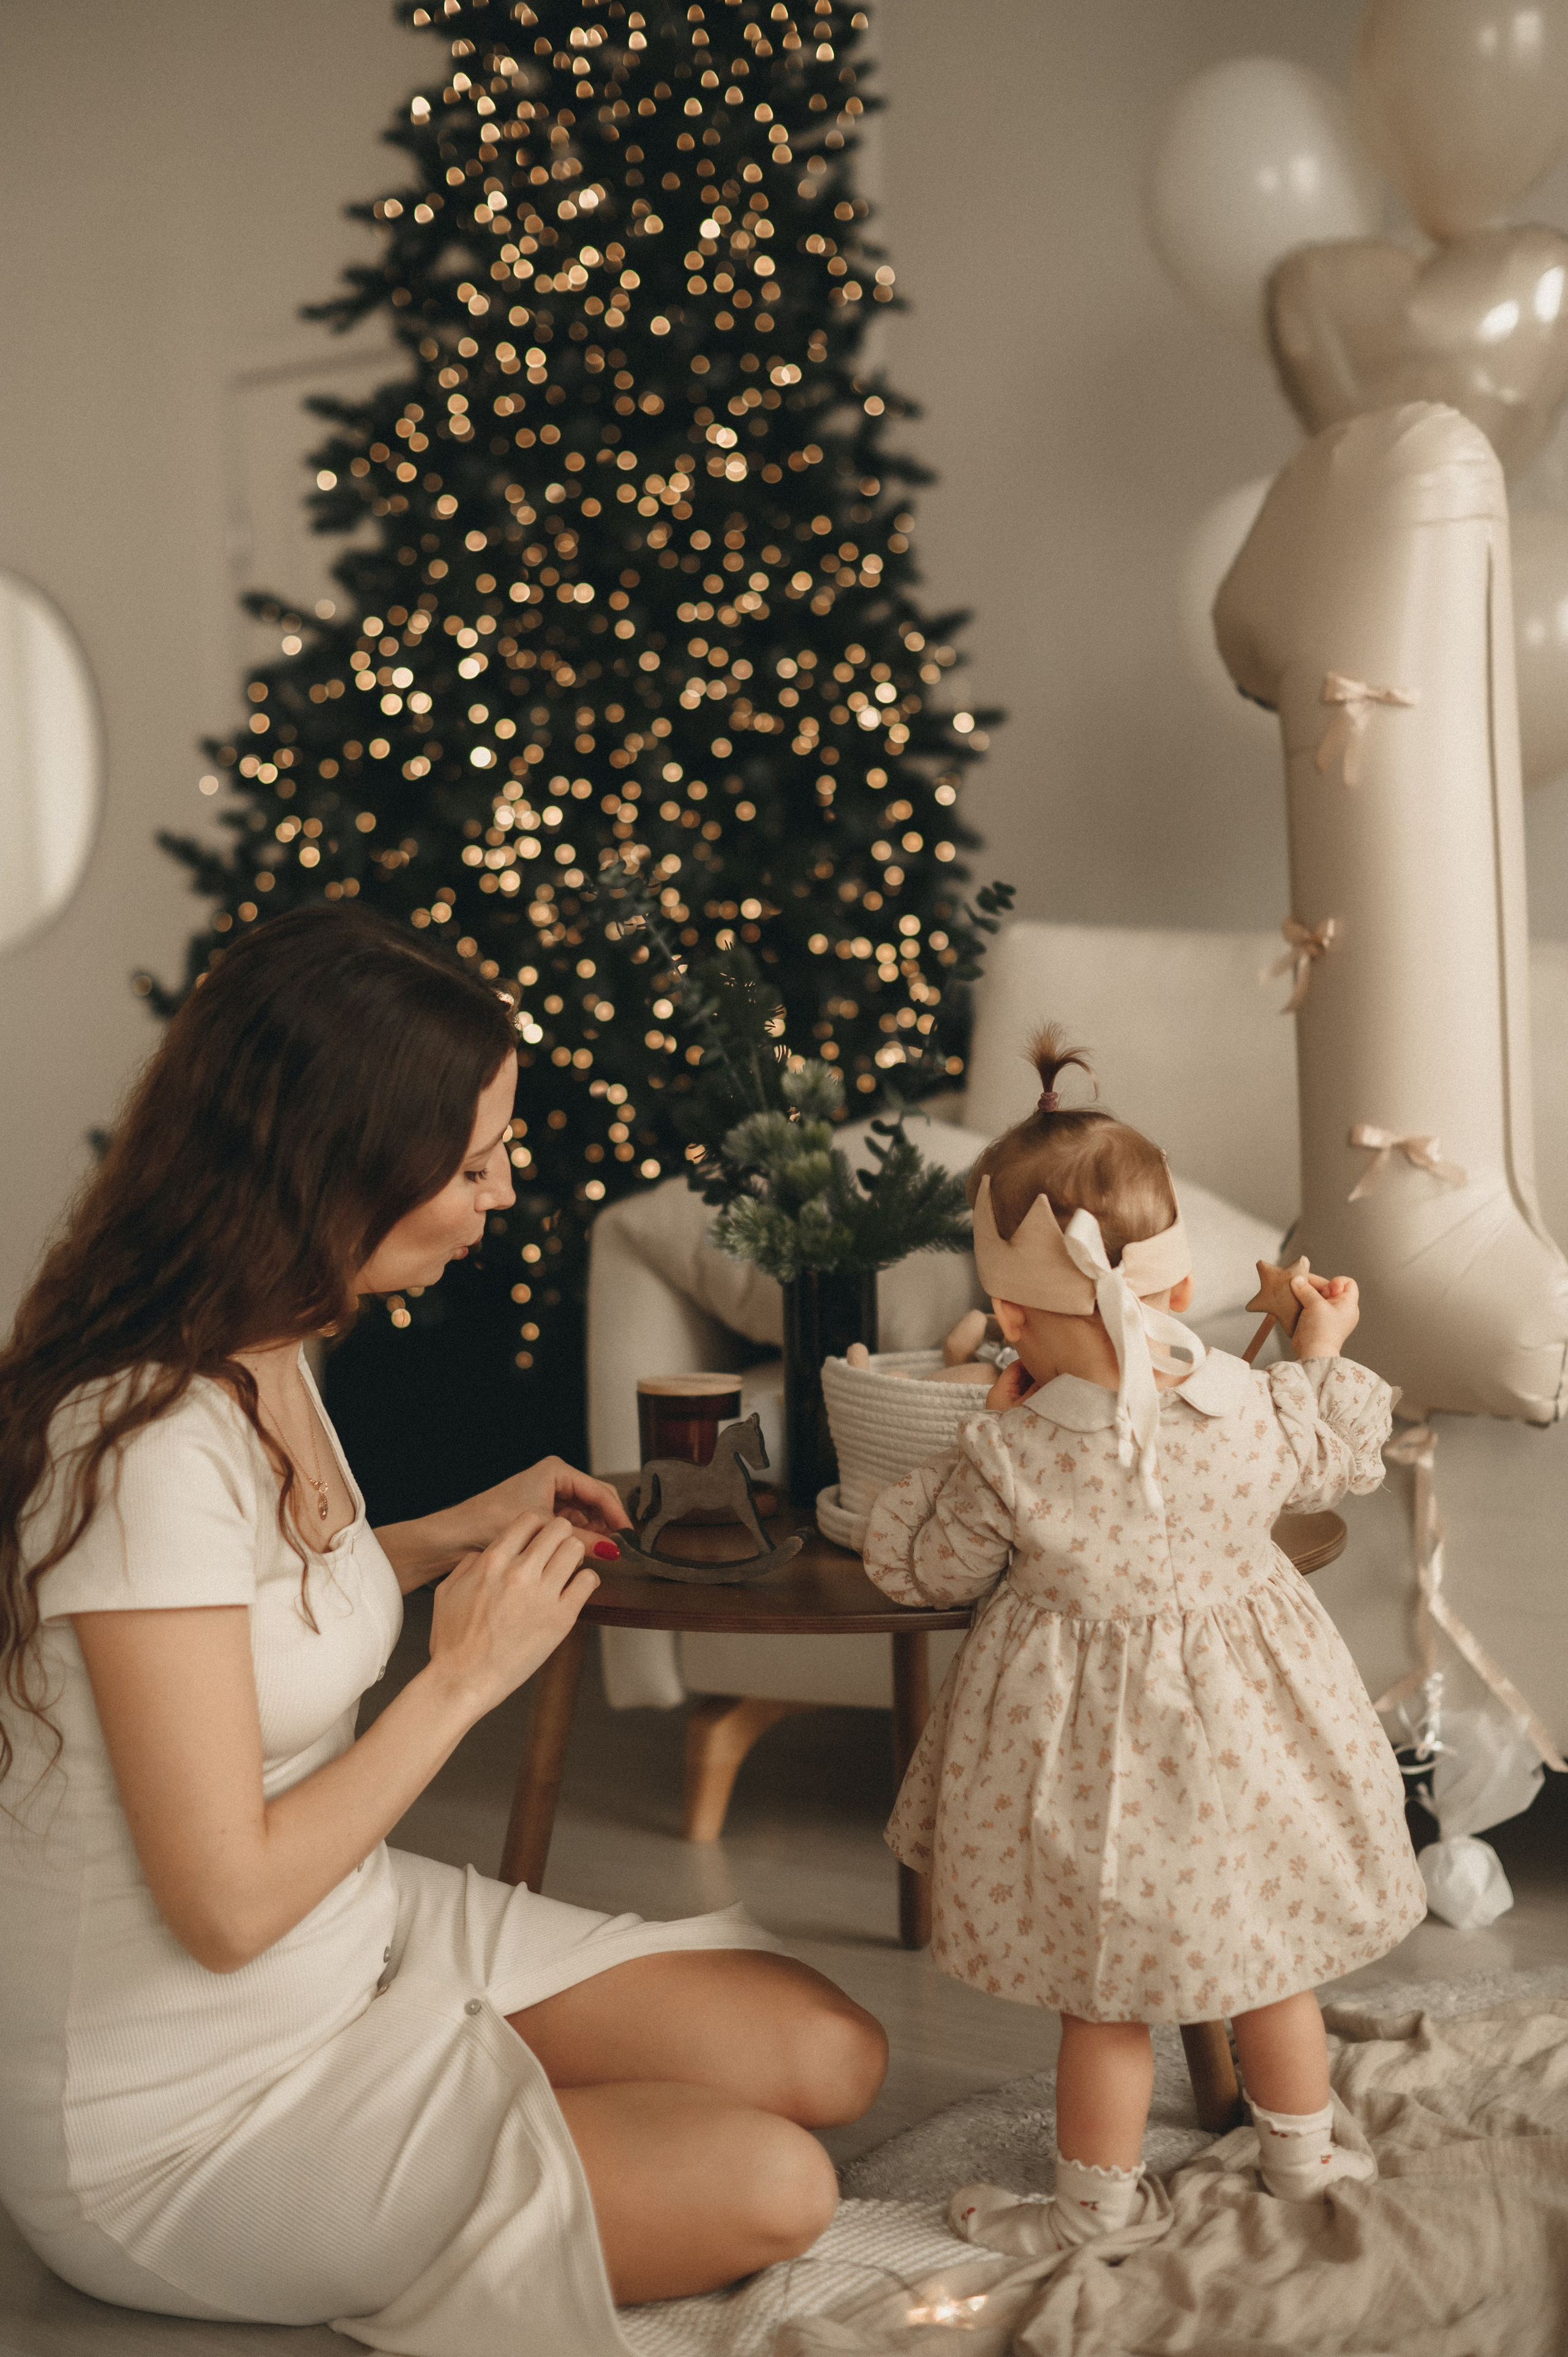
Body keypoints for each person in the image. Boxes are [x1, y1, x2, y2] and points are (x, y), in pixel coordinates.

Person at [0, 907, 886, 2355]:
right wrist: (462, 1678)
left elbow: (247, 1612)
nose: (499, 1192)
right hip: (171, 2107)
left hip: (348, 1942)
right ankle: (423, 2139)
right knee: (773, 2183)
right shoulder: (144, 1443)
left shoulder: (269, 1343)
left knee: (828, 2050)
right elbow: (223, 1907)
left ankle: (459, 2107)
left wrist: (440, 1534)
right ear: (336, 1169)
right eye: (471, 1163)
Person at [861, 1027, 1427, 2252]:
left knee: (1102, 2002)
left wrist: (976, 1430)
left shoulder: (1009, 1448)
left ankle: (1089, 2211)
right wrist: (1318, 1347)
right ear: (1175, 1291)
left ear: (1005, 1313)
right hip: (1246, 1746)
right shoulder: (1250, 1410)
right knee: (1268, 1963)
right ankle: (1299, 2160)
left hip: (1082, 1774)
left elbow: (923, 1565)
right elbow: (1339, 1451)